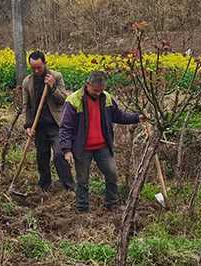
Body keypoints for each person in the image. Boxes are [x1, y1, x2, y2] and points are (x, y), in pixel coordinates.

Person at [59, 71, 146, 212]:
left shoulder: (107, 98)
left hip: (103, 146)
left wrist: (137, 117)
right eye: (95, 90)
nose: (98, 93)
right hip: (82, 147)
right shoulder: (73, 100)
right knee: (82, 180)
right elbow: (65, 127)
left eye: (101, 90)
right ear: (88, 84)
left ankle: (112, 204)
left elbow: (119, 116)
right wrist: (67, 149)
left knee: (112, 174)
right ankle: (82, 209)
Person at [22, 51, 75, 191]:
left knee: (59, 154)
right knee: (42, 156)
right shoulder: (27, 82)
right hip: (39, 126)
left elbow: (64, 99)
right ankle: (44, 186)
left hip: (56, 125)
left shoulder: (56, 77)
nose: (36, 70)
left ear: (45, 63)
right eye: (33, 68)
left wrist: (52, 87)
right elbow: (26, 106)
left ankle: (68, 186)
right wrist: (28, 125)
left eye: (39, 67)